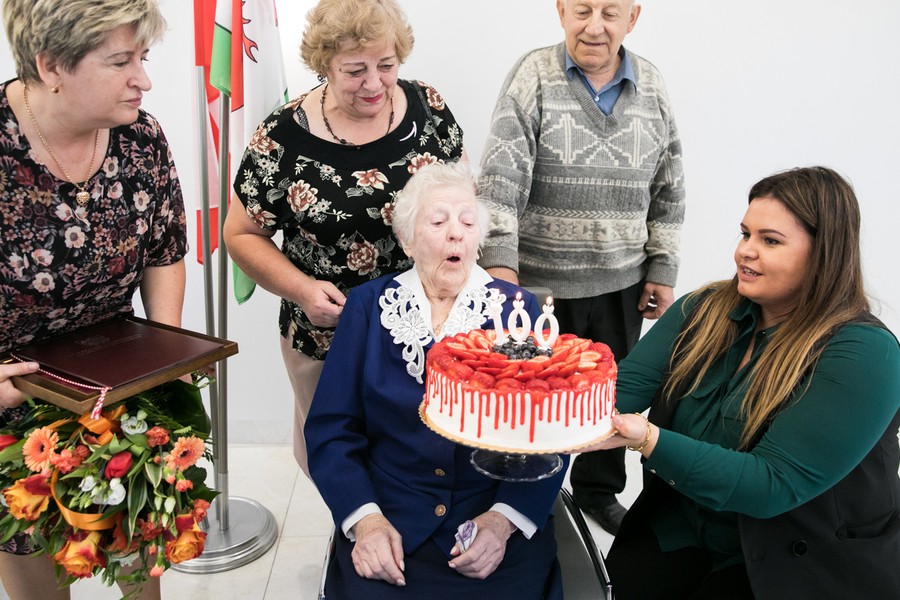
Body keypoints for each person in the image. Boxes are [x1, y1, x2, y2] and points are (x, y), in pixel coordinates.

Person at [579, 167, 900, 598]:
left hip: (794, 562)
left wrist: (649, 438)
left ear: (824, 252)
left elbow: (771, 485)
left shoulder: (865, 351)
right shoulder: (703, 308)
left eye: (770, 240)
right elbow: (615, 392)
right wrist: (535, 397)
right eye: (745, 234)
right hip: (679, 529)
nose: (745, 252)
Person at [223, 0, 465, 479]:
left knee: (420, 463)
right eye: (354, 70)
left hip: (425, 333)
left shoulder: (429, 110)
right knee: (339, 463)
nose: (374, 83)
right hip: (325, 337)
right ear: (324, 65)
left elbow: (462, 205)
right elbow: (241, 233)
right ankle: (352, 539)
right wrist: (300, 290)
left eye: (387, 65)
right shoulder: (282, 134)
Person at [305, 162, 567, 599]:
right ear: (407, 239)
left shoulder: (518, 311)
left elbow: (550, 433)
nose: (456, 233)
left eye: (467, 222)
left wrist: (503, 521)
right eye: (438, 220)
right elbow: (332, 430)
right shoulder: (368, 306)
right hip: (391, 519)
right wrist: (365, 520)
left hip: (489, 516)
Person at [476, 0, 685, 534]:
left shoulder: (653, 86)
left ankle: (597, 492)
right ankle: (520, 501)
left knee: (608, 396)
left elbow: (669, 185)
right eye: (583, 9)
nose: (595, 26)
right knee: (530, 395)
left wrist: (662, 264)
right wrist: (501, 265)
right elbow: (500, 177)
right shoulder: (534, 76)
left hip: (623, 280)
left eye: (610, 12)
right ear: (561, 11)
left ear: (633, 18)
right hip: (539, 283)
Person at [0, 1, 186, 598]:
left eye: (144, 58)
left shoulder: (141, 138)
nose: (144, 79)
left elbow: (164, 251)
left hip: (122, 385)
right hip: (11, 399)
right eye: (120, 62)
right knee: (42, 577)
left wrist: (167, 358)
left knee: (139, 560)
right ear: (50, 65)